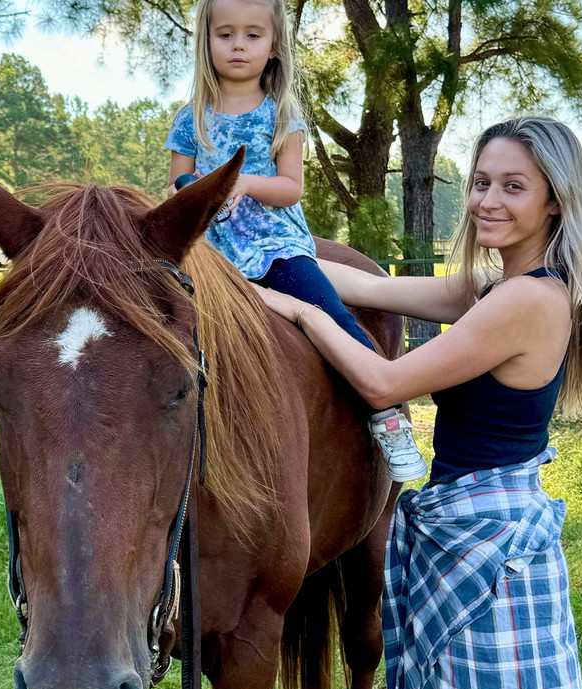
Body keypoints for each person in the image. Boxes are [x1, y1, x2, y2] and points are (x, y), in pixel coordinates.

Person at [255, 117, 582, 689]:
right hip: (475, 531)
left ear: (555, 200)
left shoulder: (525, 301)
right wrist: (255, 257)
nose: (488, 199)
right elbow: (366, 288)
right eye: (482, 181)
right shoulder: (492, 288)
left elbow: (385, 383)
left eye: (514, 186)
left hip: (491, 546)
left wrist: (302, 317)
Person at [164, 0, 426, 482]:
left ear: (274, 46)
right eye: (224, 35)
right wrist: (193, 194)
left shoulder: (280, 113)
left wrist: (238, 183)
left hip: (274, 247)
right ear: (206, 42)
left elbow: (291, 187)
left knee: (329, 312)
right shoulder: (190, 117)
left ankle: (385, 413)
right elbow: (177, 184)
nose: (238, 45)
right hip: (212, 255)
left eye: (251, 35)